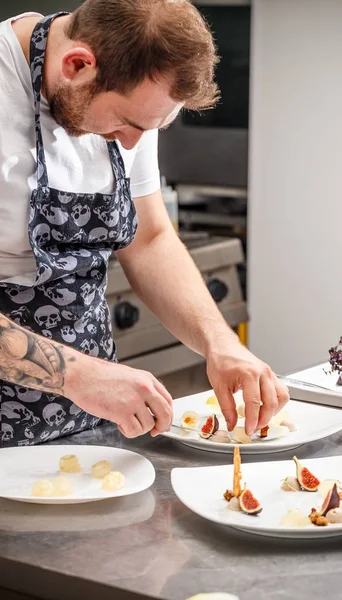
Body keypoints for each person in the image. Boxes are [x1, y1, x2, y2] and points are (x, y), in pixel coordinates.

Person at [0, 0, 289, 448]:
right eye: (127, 123)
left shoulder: (135, 92)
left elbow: (149, 240)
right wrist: (77, 374)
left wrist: (220, 343)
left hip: (87, 420)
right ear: (78, 65)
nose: (133, 142)